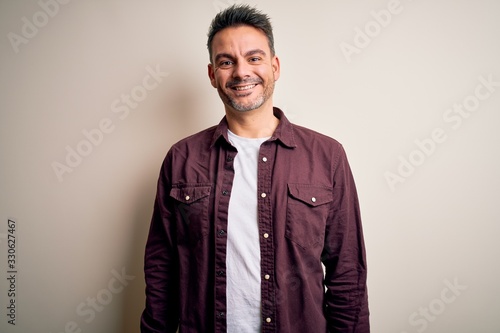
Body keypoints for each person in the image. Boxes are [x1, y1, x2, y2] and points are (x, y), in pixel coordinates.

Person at [141, 4, 369, 333]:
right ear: (212, 74)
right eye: (226, 61)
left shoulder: (327, 156)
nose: (241, 72)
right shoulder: (181, 159)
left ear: (275, 66)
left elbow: (348, 274)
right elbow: (161, 271)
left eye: (254, 58)